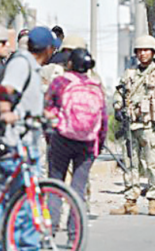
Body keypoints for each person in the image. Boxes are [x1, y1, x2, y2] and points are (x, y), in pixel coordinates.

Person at [0, 26, 56, 251]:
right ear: (48, 49)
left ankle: (25, 245)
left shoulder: (34, 67)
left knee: (27, 200)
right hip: (15, 143)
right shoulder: (22, 63)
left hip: (29, 143)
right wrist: (6, 112)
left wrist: (43, 115)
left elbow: (27, 102)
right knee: (9, 199)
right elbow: (5, 90)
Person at [111, 35, 155, 216]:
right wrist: (118, 108)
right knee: (129, 164)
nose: (142, 54)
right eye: (139, 51)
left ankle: (153, 200)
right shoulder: (129, 74)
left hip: (152, 126)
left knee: (152, 164)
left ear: (153, 52)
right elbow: (118, 94)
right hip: (131, 125)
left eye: (146, 50)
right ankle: (130, 200)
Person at [44, 48, 108, 247]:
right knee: (77, 190)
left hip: (61, 139)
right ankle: (74, 237)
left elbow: (46, 110)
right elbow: (103, 120)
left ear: (70, 63)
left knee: (55, 185)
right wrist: (99, 145)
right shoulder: (95, 86)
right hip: (87, 143)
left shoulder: (60, 82)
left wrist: (50, 137)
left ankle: (49, 233)